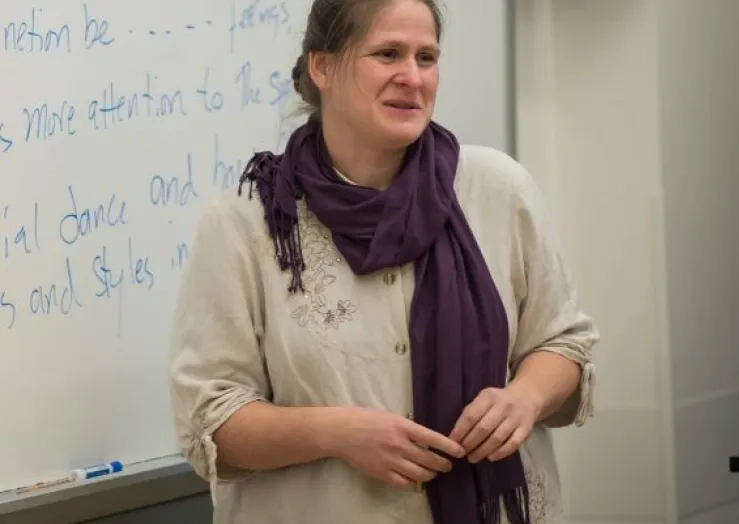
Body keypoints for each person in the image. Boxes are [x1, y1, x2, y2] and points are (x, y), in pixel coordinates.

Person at [169, 0, 599, 523]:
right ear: (322, 66)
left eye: (426, 57)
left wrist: (526, 397)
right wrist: (336, 433)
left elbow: (563, 344)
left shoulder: (499, 190)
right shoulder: (248, 222)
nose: (412, 78)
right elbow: (210, 422)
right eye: (388, 54)